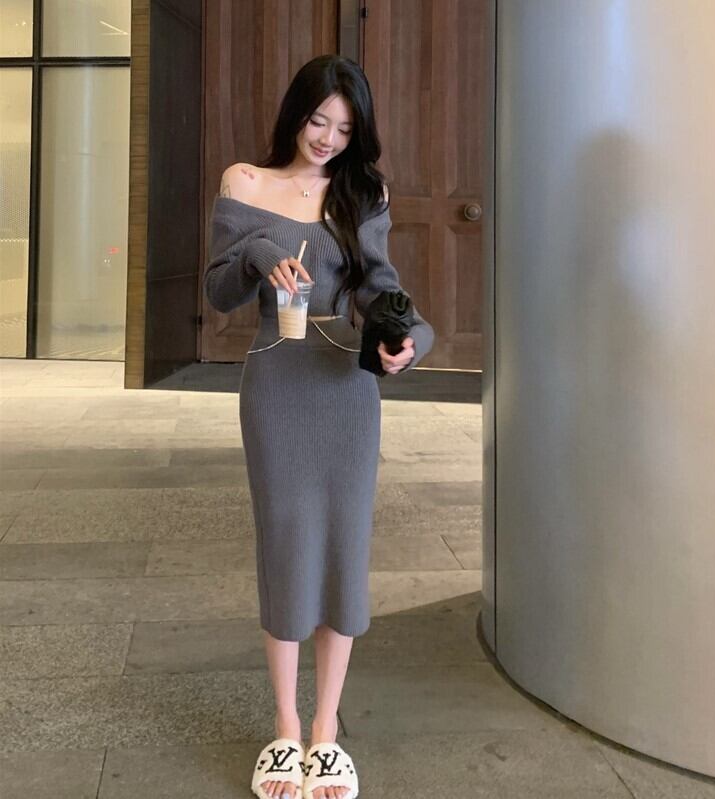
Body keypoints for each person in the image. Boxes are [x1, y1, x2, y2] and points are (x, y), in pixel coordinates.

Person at [203, 54, 434, 799]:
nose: (328, 138)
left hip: (346, 390)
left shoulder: (362, 193)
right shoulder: (245, 182)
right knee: (286, 546)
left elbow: (380, 288)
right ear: (295, 114)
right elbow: (218, 291)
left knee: (342, 551)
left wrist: (407, 337)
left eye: (343, 128)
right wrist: (259, 252)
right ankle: (285, 726)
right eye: (317, 121)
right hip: (276, 386)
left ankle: (326, 731)